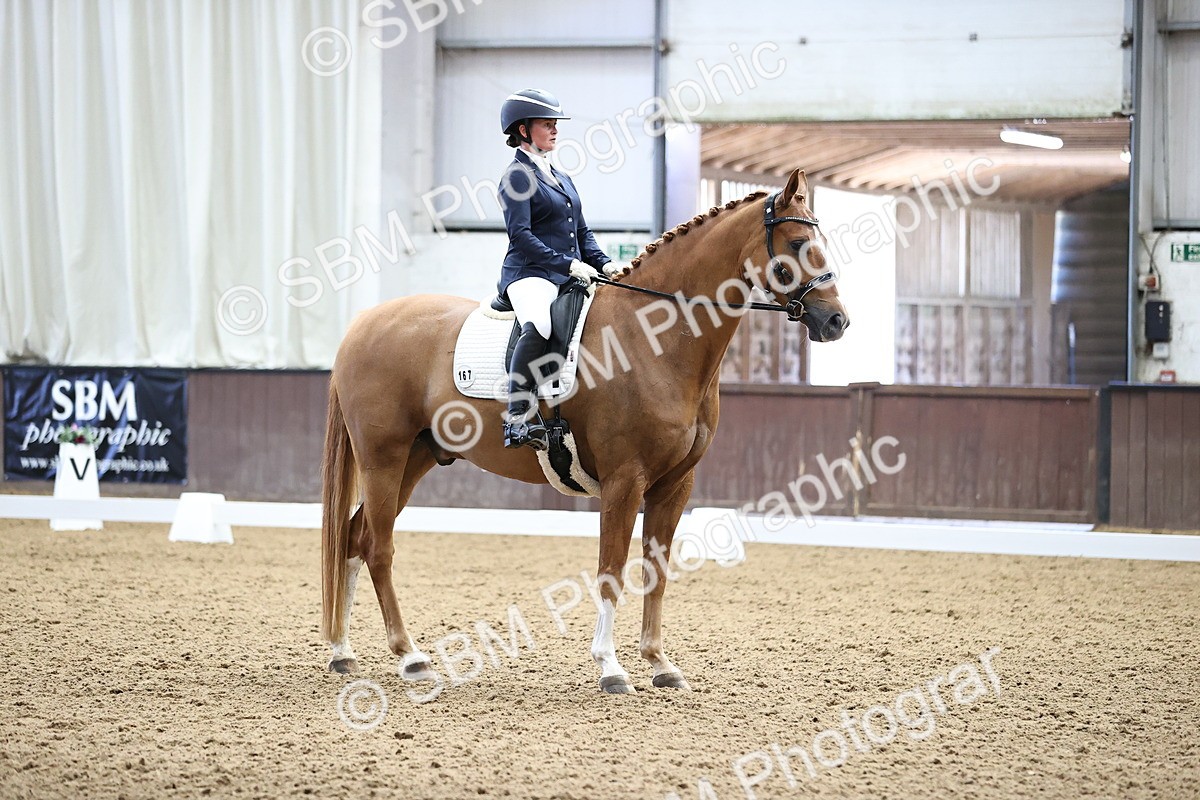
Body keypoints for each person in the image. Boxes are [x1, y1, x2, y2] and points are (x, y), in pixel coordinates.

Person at [495, 88, 617, 450]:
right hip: (529, 274)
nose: (554, 129)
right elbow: (521, 235)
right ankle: (516, 419)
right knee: (540, 324)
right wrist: (568, 263)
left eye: (554, 124)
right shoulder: (516, 176)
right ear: (522, 130)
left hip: (568, 273)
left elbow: (581, 230)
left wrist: (605, 263)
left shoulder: (560, 176)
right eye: (546, 124)